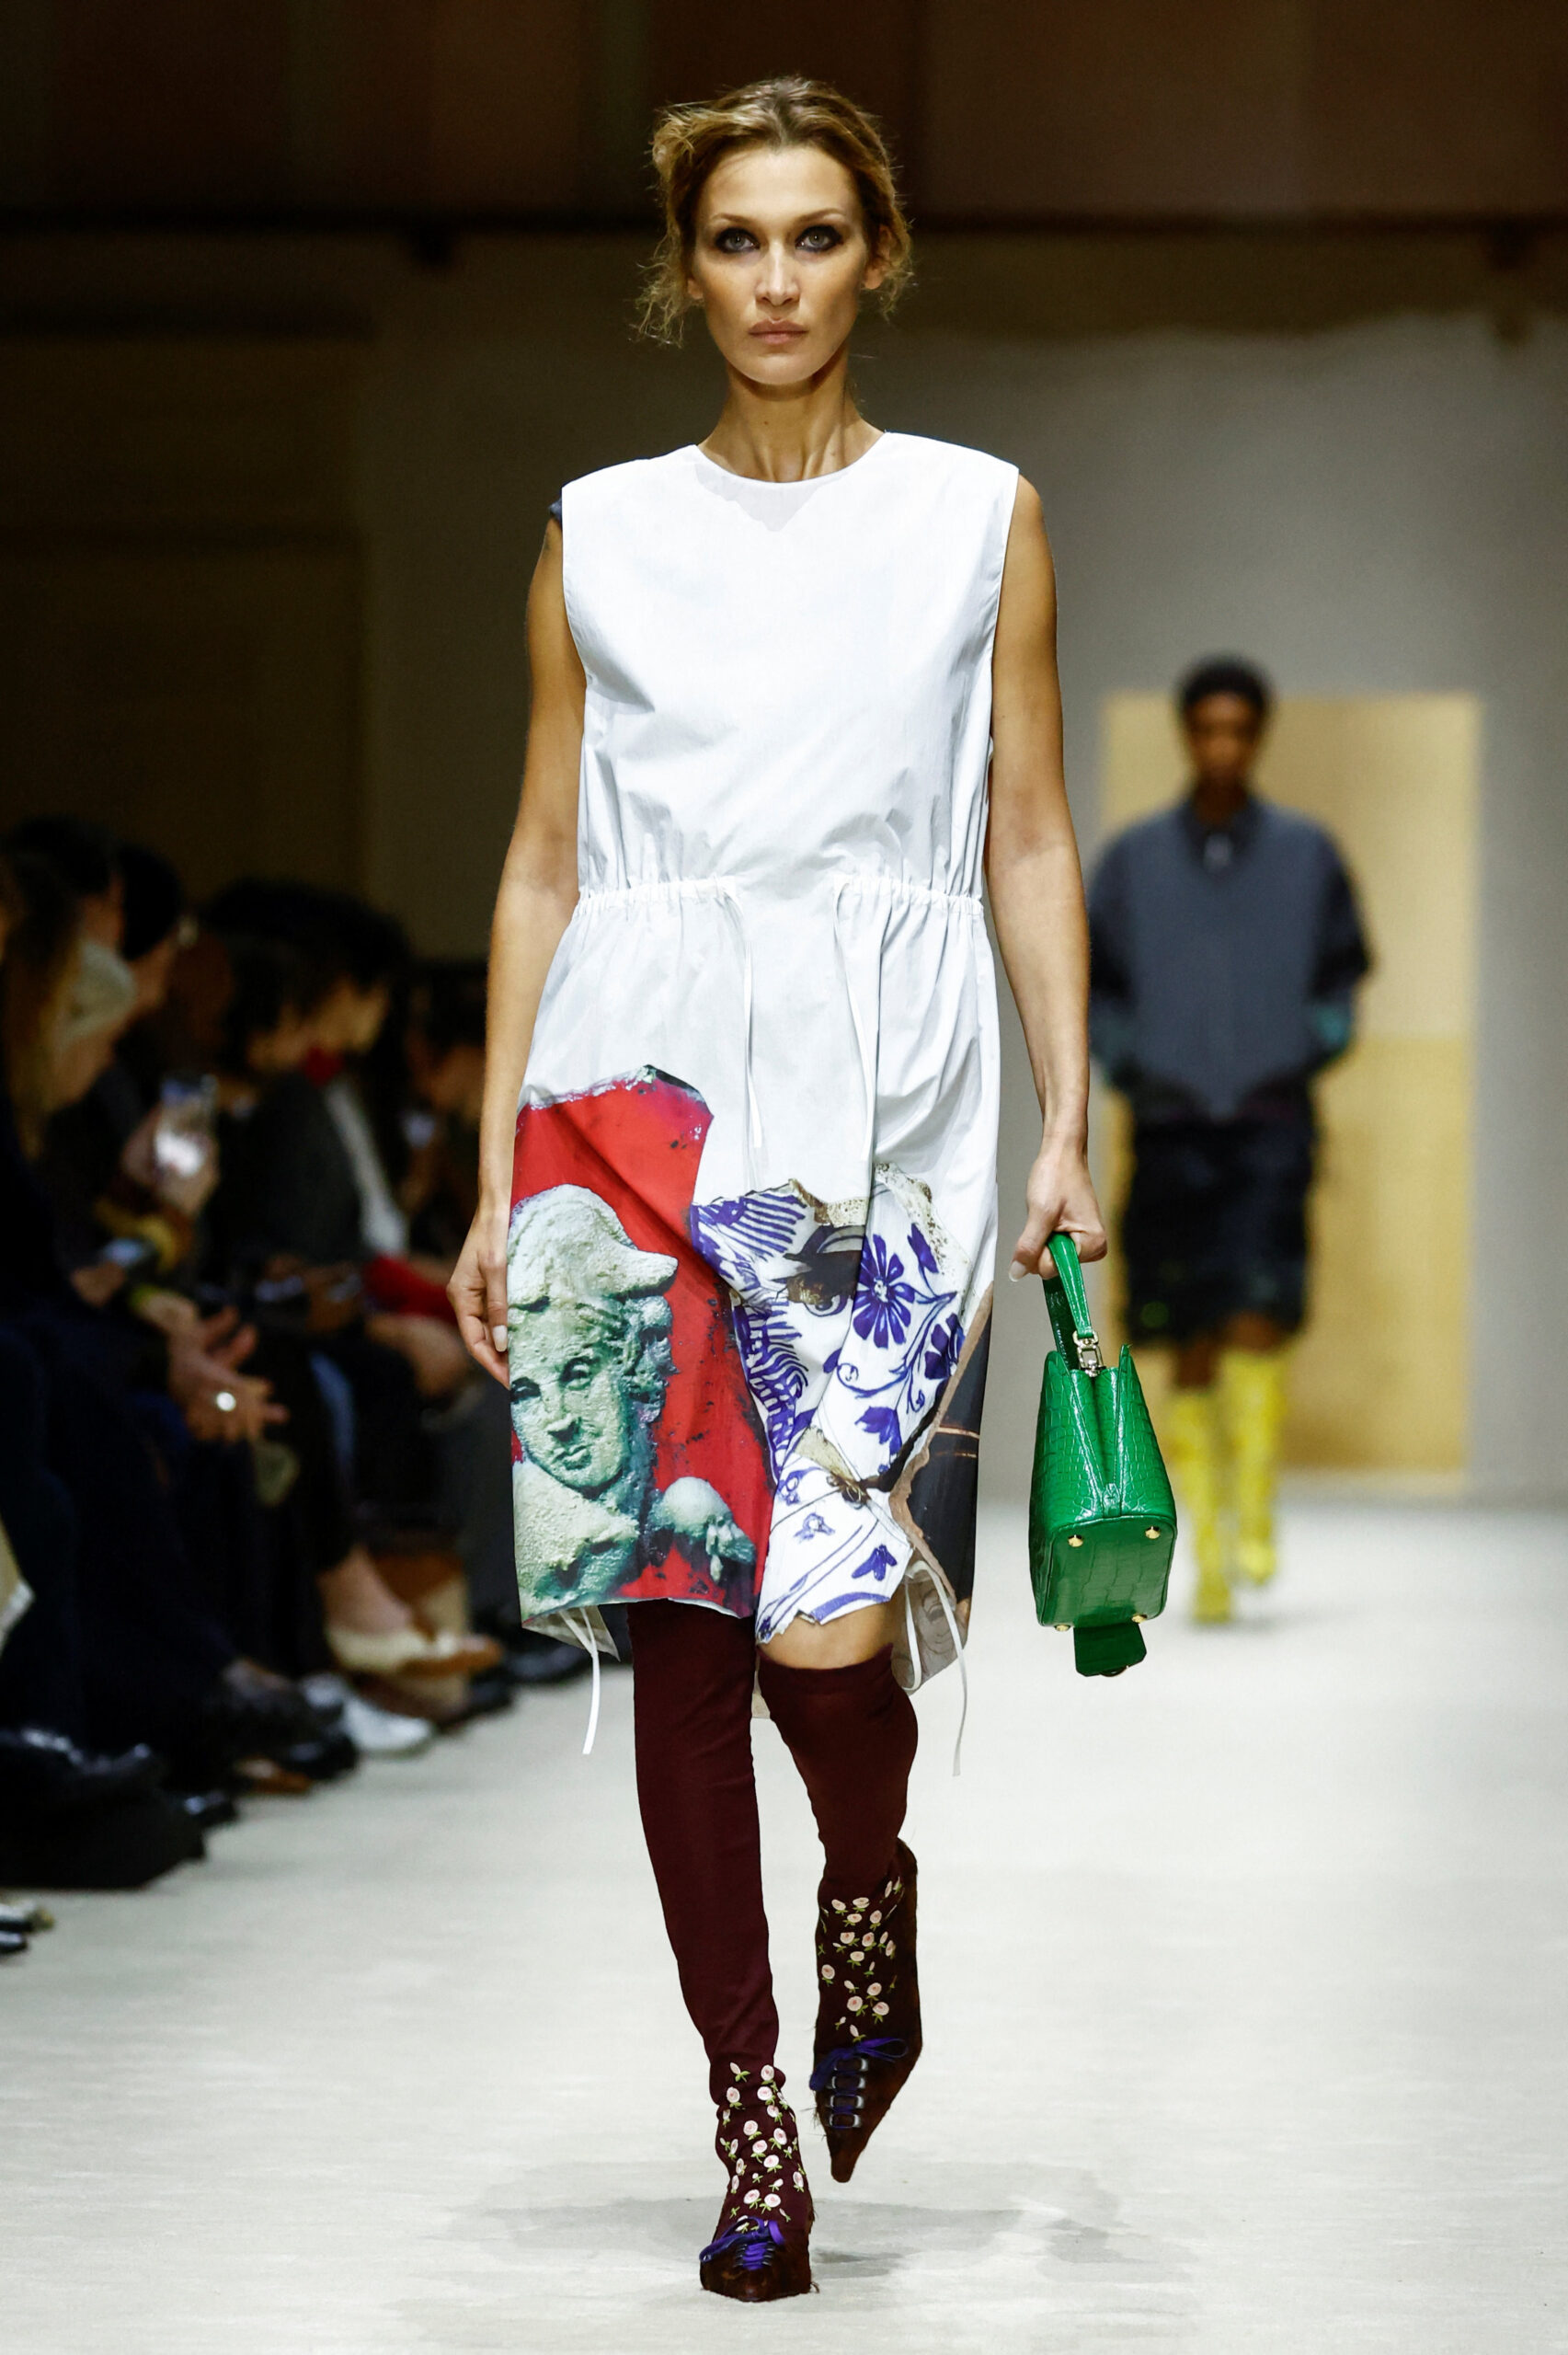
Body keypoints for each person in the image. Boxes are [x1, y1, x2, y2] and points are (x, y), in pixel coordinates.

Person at [449, 77, 1104, 2302]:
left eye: (814, 235)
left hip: (881, 1104)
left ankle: (868, 1876)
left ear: (876, 255)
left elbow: (1027, 827)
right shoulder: (597, 532)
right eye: (735, 238)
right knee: (676, 1611)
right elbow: (540, 857)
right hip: (623, 1098)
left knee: (826, 1625)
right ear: (684, 265)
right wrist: (494, 1173)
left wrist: (1067, 1116)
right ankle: (748, 2116)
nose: (774, 280)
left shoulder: (977, 518)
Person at [1088, 656, 1370, 1622]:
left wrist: (1299, 1049)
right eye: (1206, 728)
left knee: (1260, 1308)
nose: (1221, 746)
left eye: (1237, 729)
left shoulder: (1305, 854)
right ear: (1186, 733)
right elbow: (1100, 985)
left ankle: (1253, 1510)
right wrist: (1136, 1066)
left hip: (1269, 1121)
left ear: (1257, 735)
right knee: (1184, 1329)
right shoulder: (1134, 861)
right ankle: (1207, 1552)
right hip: (1169, 1125)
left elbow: (1340, 975)